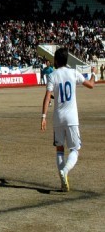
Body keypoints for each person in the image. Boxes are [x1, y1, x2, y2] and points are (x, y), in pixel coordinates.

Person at [41, 48, 96, 192]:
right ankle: (65, 171)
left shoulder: (53, 75)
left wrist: (43, 117)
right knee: (75, 150)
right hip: (72, 117)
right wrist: (94, 74)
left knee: (59, 149)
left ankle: (62, 183)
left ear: (56, 60)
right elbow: (90, 85)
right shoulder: (73, 73)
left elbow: (47, 97)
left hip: (58, 117)